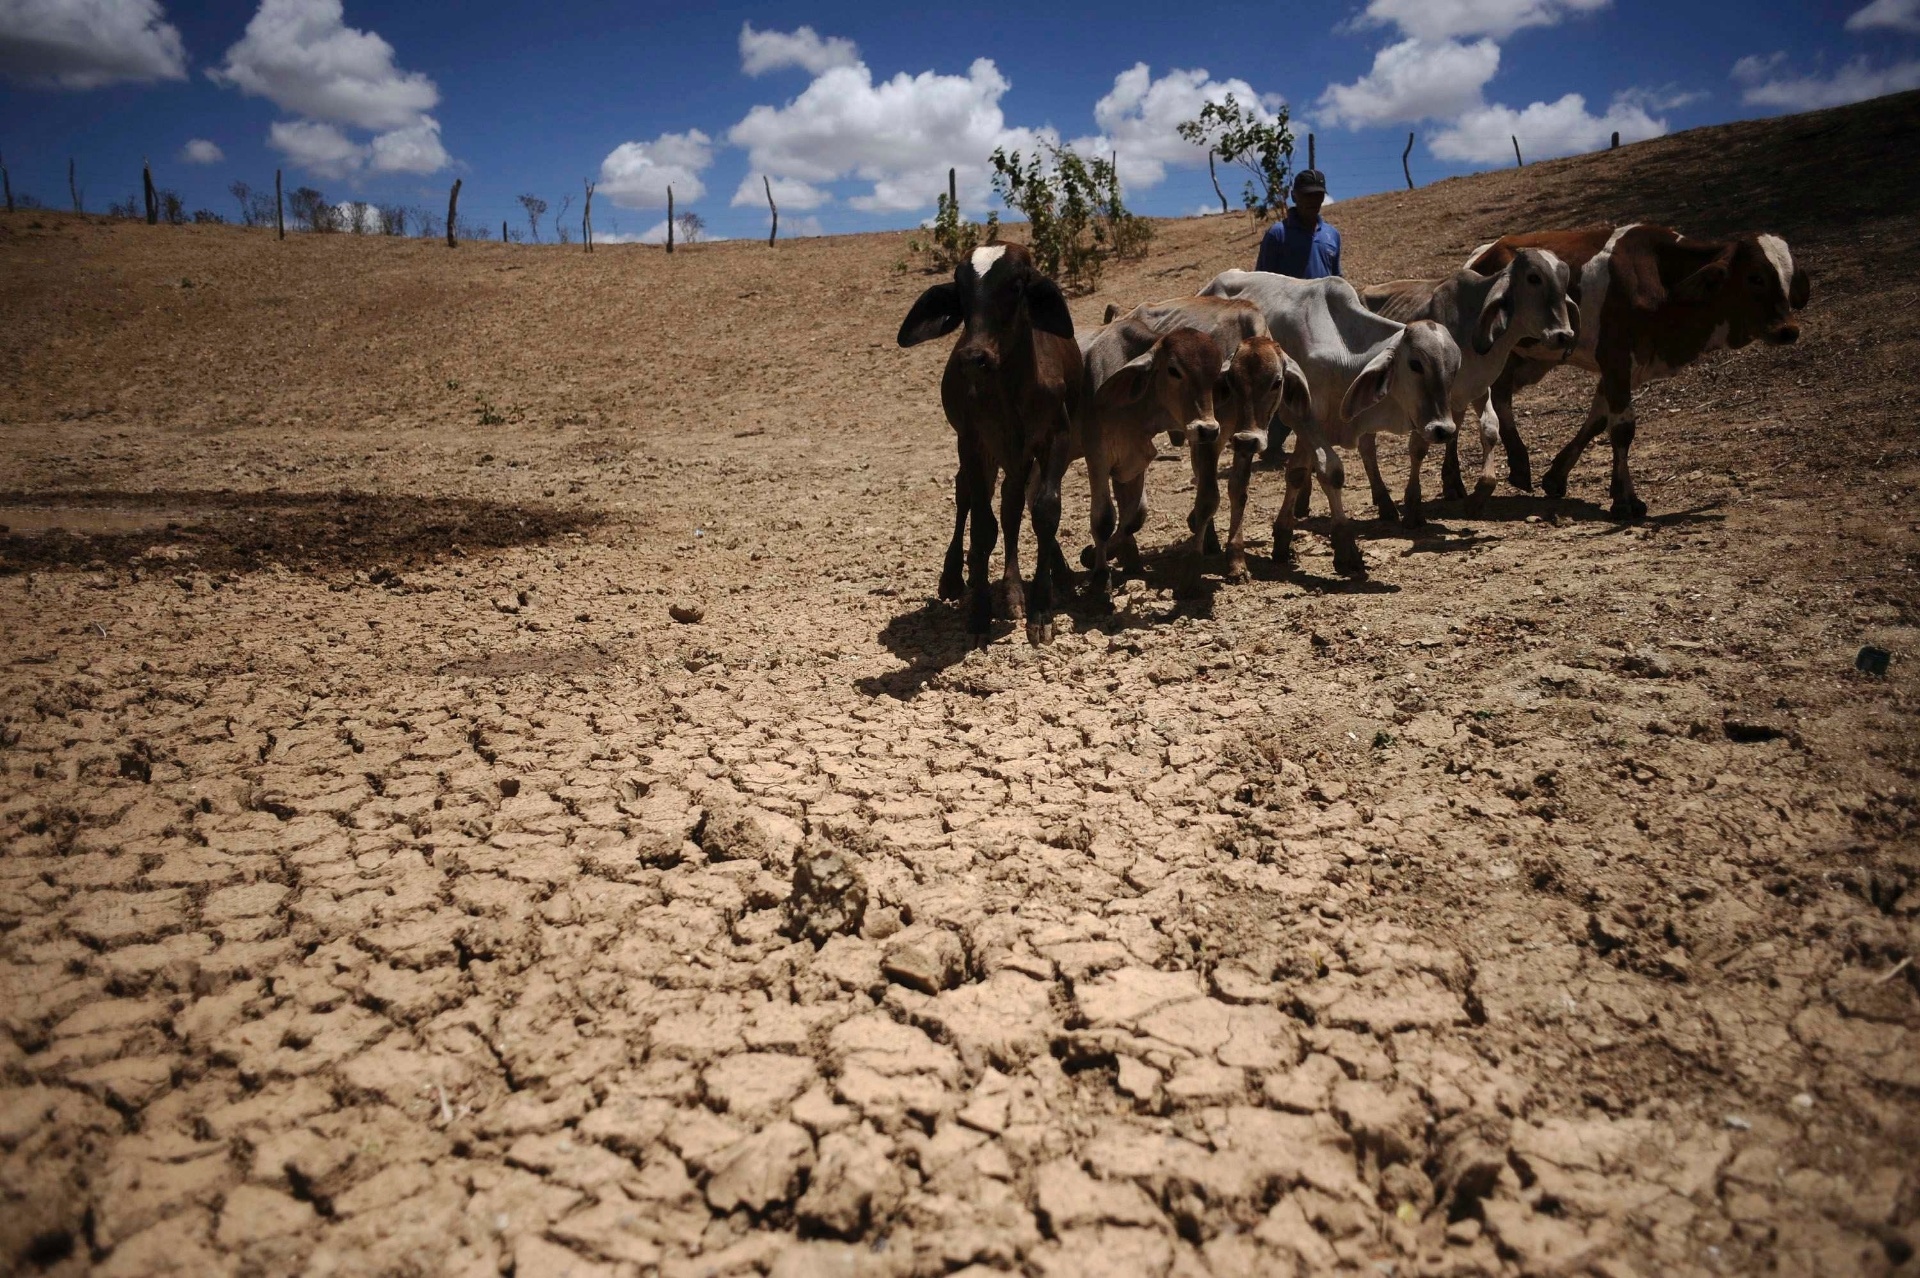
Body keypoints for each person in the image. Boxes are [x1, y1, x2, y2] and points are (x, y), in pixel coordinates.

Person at [1254, 170, 1341, 278]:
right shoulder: (1278, 234)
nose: (1313, 200)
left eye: (1318, 195)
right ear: (1294, 196)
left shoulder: (1332, 235)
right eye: (1307, 195)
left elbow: (1336, 278)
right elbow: (1261, 280)